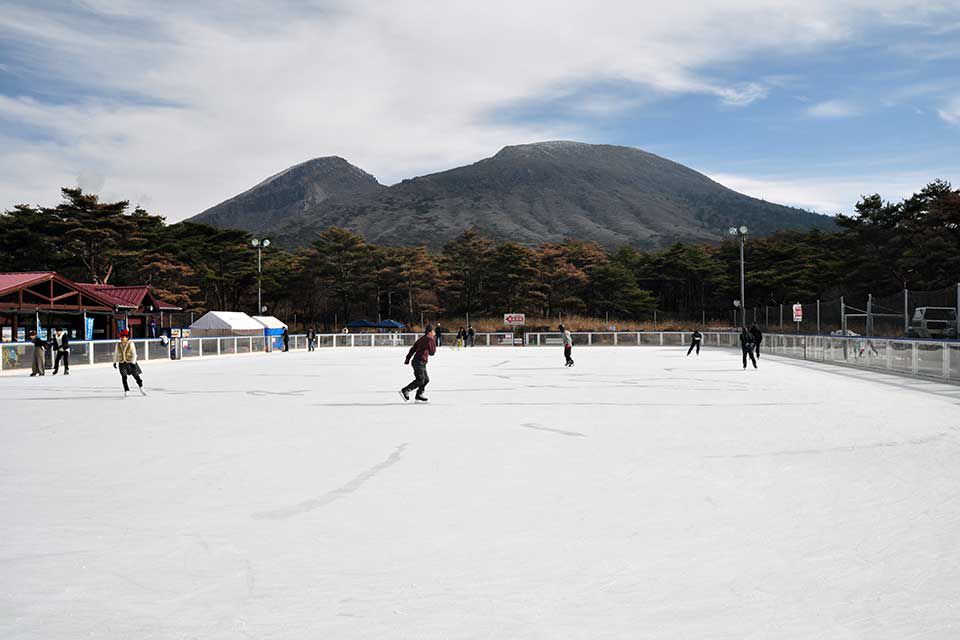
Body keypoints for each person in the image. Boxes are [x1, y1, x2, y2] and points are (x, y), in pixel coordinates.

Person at [400, 325, 437, 402]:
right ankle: (405, 390)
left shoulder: (421, 339)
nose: (434, 332)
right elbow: (432, 352)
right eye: (433, 331)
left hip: (418, 361)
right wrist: (433, 341)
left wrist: (407, 359)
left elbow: (413, 349)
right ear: (430, 332)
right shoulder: (430, 339)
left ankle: (419, 395)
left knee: (426, 379)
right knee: (421, 380)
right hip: (419, 361)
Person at [113, 330, 146, 397]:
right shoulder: (118, 345)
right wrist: (114, 362)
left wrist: (133, 363)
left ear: (127, 337)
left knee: (136, 376)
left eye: (123, 337)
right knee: (124, 377)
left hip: (130, 363)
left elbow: (134, 354)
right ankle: (126, 390)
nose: (122, 338)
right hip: (122, 363)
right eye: (121, 337)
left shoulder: (131, 344)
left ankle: (141, 388)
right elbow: (116, 354)